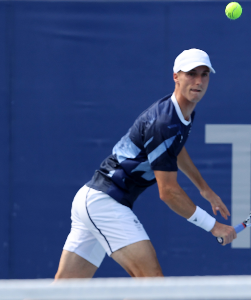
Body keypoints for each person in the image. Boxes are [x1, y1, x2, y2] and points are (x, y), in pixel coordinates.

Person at [54, 48, 237, 279]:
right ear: (176, 77)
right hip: (105, 202)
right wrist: (213, 226)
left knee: (66, 290)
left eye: (204, 74)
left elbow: (175, 150)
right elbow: (168, 192)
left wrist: (205, 189)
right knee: (151, 284)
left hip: (92, 199)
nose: (198, 81)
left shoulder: (181, 113)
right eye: (191, 74)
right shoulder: (165, 122)